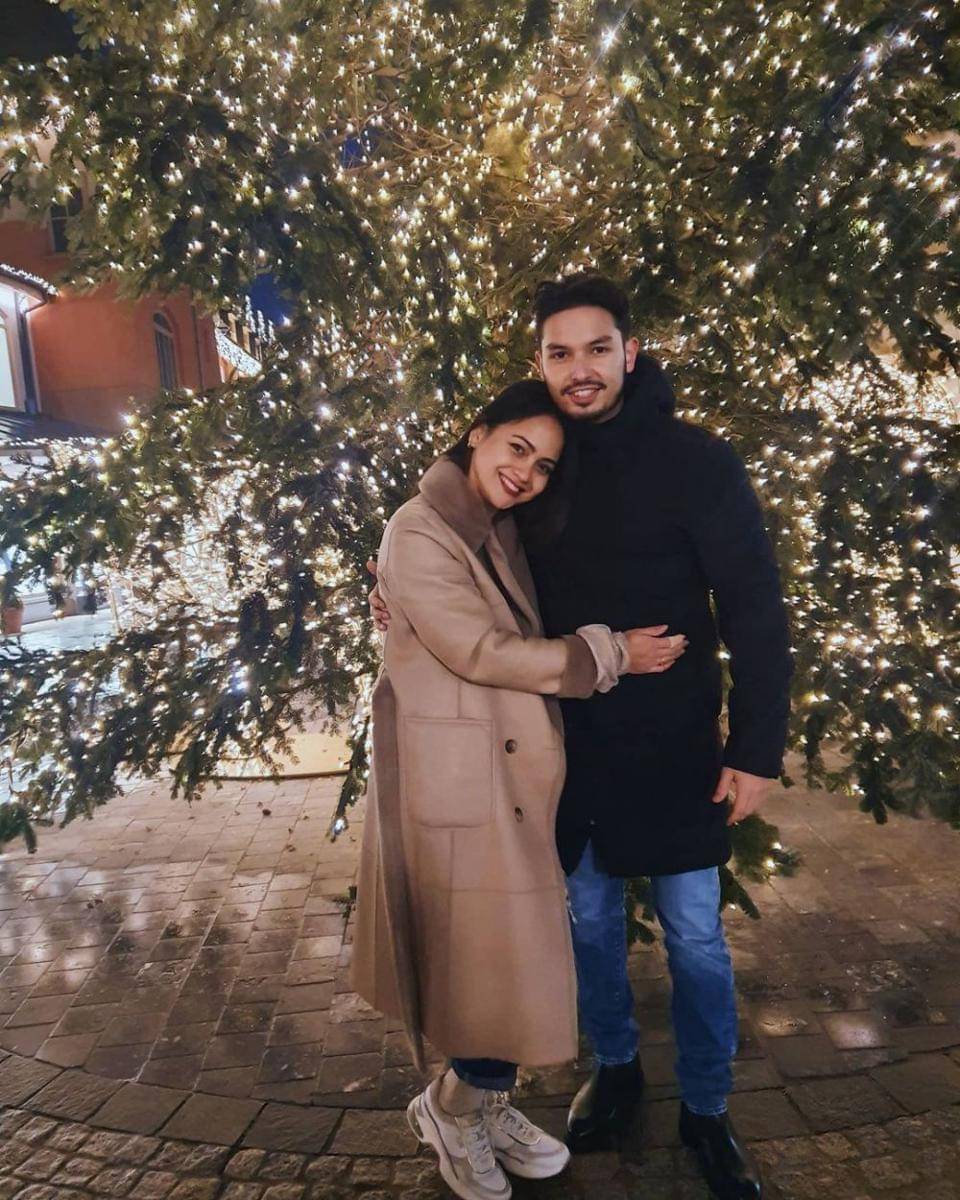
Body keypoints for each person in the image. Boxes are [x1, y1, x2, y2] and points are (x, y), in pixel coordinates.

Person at [371, 275, 793, 1200]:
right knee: (590, 928)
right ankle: (617, 1068)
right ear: (540, 362)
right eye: (559, 353)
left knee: (695, 939)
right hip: (565, 749)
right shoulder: (540, 466)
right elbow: (462, 546)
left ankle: (708, 1109)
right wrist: (392, 585)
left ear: (629, 352)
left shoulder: (698, 463)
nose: (580, 369)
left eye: (597, 349)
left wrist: (757, 746)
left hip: (677, 751)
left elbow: (755, 604)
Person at [351, 379, 685, 1200]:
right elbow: (481, 649)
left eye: (543, 466)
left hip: (497, 774)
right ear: (478, 433)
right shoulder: (421, 527)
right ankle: (455, 1107)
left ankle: (474, 1102)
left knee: (499, 963)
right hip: (457, 780)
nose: (526, 473)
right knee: (486, 961)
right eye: (517, 449)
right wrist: (609, 654)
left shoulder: (495, 525)